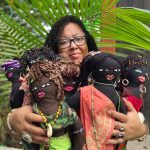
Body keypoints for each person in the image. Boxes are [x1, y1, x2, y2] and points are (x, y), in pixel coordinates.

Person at [7, 15, 149, 146]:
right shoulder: (41, 79)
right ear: (54, 49)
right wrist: (13, 120)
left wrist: (141, 130)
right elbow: (20, 107)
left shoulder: (110, 74)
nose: (73, 46)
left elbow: (135, 111)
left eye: (79, 38)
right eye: (64, 42)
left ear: (88, 42)